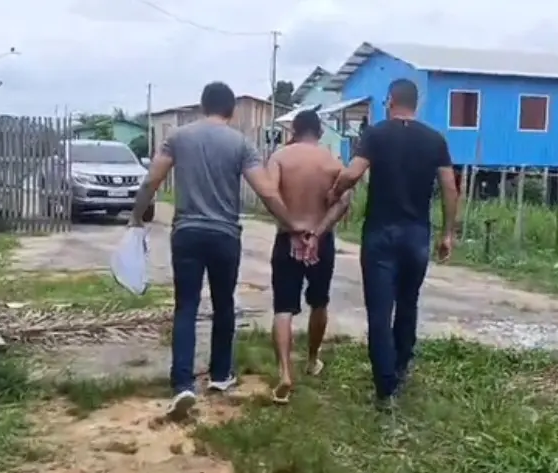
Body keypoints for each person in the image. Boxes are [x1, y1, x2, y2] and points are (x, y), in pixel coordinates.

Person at [129, 81, 304, 419]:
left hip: (187, 233)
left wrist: (137, 215)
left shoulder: (178, 138)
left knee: (186, 306)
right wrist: (291, 224)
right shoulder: (240, 143)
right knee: (224, 304)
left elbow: (151, 180)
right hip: (225, 236)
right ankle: (221, 375)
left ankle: (182, 384)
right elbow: (267, 192)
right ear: (231, 110)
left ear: (202, 105)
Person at [328, 79, 459, 411]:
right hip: (417, 235)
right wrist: (447, 233)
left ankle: (385, 389)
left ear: (389, 101)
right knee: (408, 303)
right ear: (416, 104)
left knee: (379, 310)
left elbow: (353, 173)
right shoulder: (435, 139)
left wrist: (335, 191)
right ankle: (400, 367)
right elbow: (449, 187)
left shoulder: (375, 134)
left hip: (380, 233)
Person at [267, 109, 352, 404]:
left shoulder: (279, 158)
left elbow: (270, 195)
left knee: (283, 308)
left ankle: (284, 372)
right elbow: (343, 202)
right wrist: (316, 232)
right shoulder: (332, 161)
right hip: (321, 240)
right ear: (319, 131)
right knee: (319, 302)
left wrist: (292, 228)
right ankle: (312, 359)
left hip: (287, 239)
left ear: (294, 130)